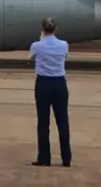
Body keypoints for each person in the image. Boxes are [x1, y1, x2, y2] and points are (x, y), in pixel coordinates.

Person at [29, 18, 72, 167]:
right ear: (56, 28)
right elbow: (64, 56)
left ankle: (44, 157)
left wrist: (42, 40)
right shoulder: (63, 44)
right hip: (59, 82)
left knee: (43, 121)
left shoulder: (36, 45)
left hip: (43, 83)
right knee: (62, 121)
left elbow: (31, 57)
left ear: (42, 29)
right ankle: (66, 158)